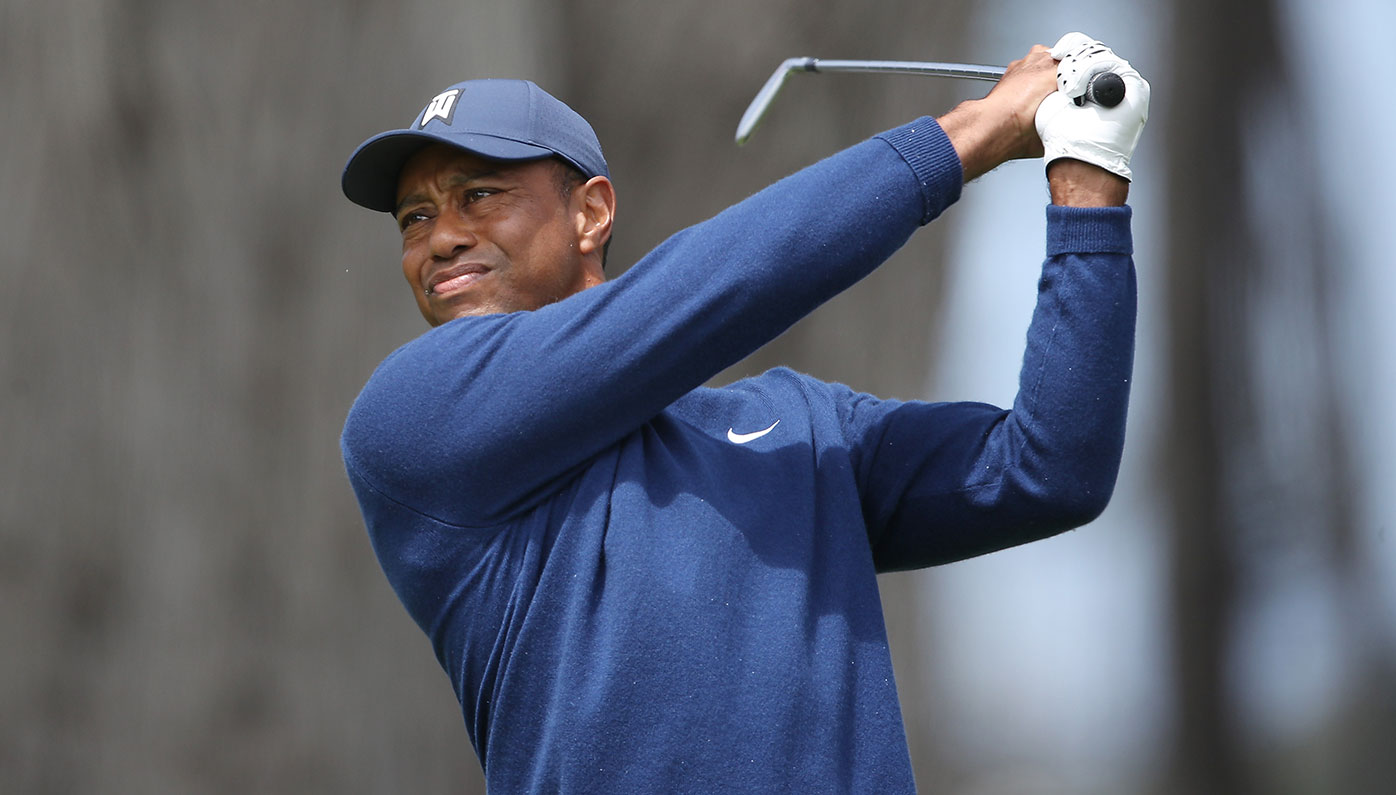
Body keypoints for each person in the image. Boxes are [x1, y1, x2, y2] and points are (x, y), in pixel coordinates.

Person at [339, 32, 1148, 794]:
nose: (440, 238)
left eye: (478, 195)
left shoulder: (799, 425)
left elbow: (1048, 471)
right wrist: (974, 132)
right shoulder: (413, 417)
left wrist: (1090, 185)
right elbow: (725, 281)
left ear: (591, 213)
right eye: (416, 217)